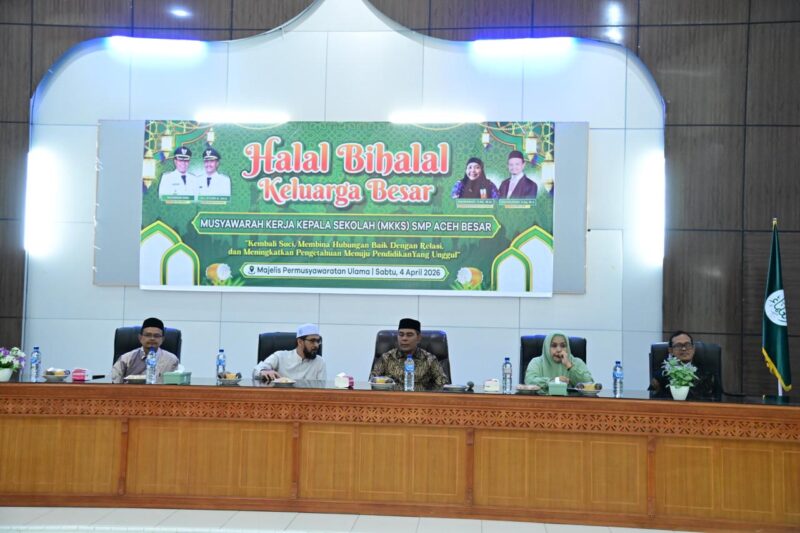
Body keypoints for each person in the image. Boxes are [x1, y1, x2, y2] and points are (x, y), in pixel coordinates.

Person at [370, 318, 447, 389]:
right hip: (392, 401)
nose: (404, 338)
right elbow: (372, 381)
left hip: (420, 401)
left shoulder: (429, 359)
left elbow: (443, 384)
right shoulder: (386, 358)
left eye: (409, 335)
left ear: (418, 338)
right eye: (401, 334)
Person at [649, 331, 721, 399]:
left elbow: (718, 397)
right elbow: (652, 398)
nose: (683, 348)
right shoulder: (660, 375)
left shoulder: (708, 373)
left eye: (687, 345)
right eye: (678, 345)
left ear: (693, 349)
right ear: (670, 351)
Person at [111, 317, 179, 383]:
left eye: (156, 336)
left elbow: (176, 387)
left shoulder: (171, 360)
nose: (152, 338)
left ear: (162, 339)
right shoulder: (126, 359)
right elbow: (114, 384)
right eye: (148, 335)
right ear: (140, 338)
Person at [253, 324, 326, 381]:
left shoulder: (319, 362)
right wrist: (263, 371)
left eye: (318, 341)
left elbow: (322, 390)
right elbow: (256, 371)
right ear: (300, 342)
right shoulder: (280, 356)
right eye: (312, 341)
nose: (316, 345)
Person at [524, 331, 593, 387]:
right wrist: (554, 381)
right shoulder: (536, 362)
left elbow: (589, 384)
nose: (559, 350)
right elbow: (529, 381)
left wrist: (569, 366)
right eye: (553, 345)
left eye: (563, 346)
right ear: (547, 348)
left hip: (571, 402)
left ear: (568, 348)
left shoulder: (577, 362)